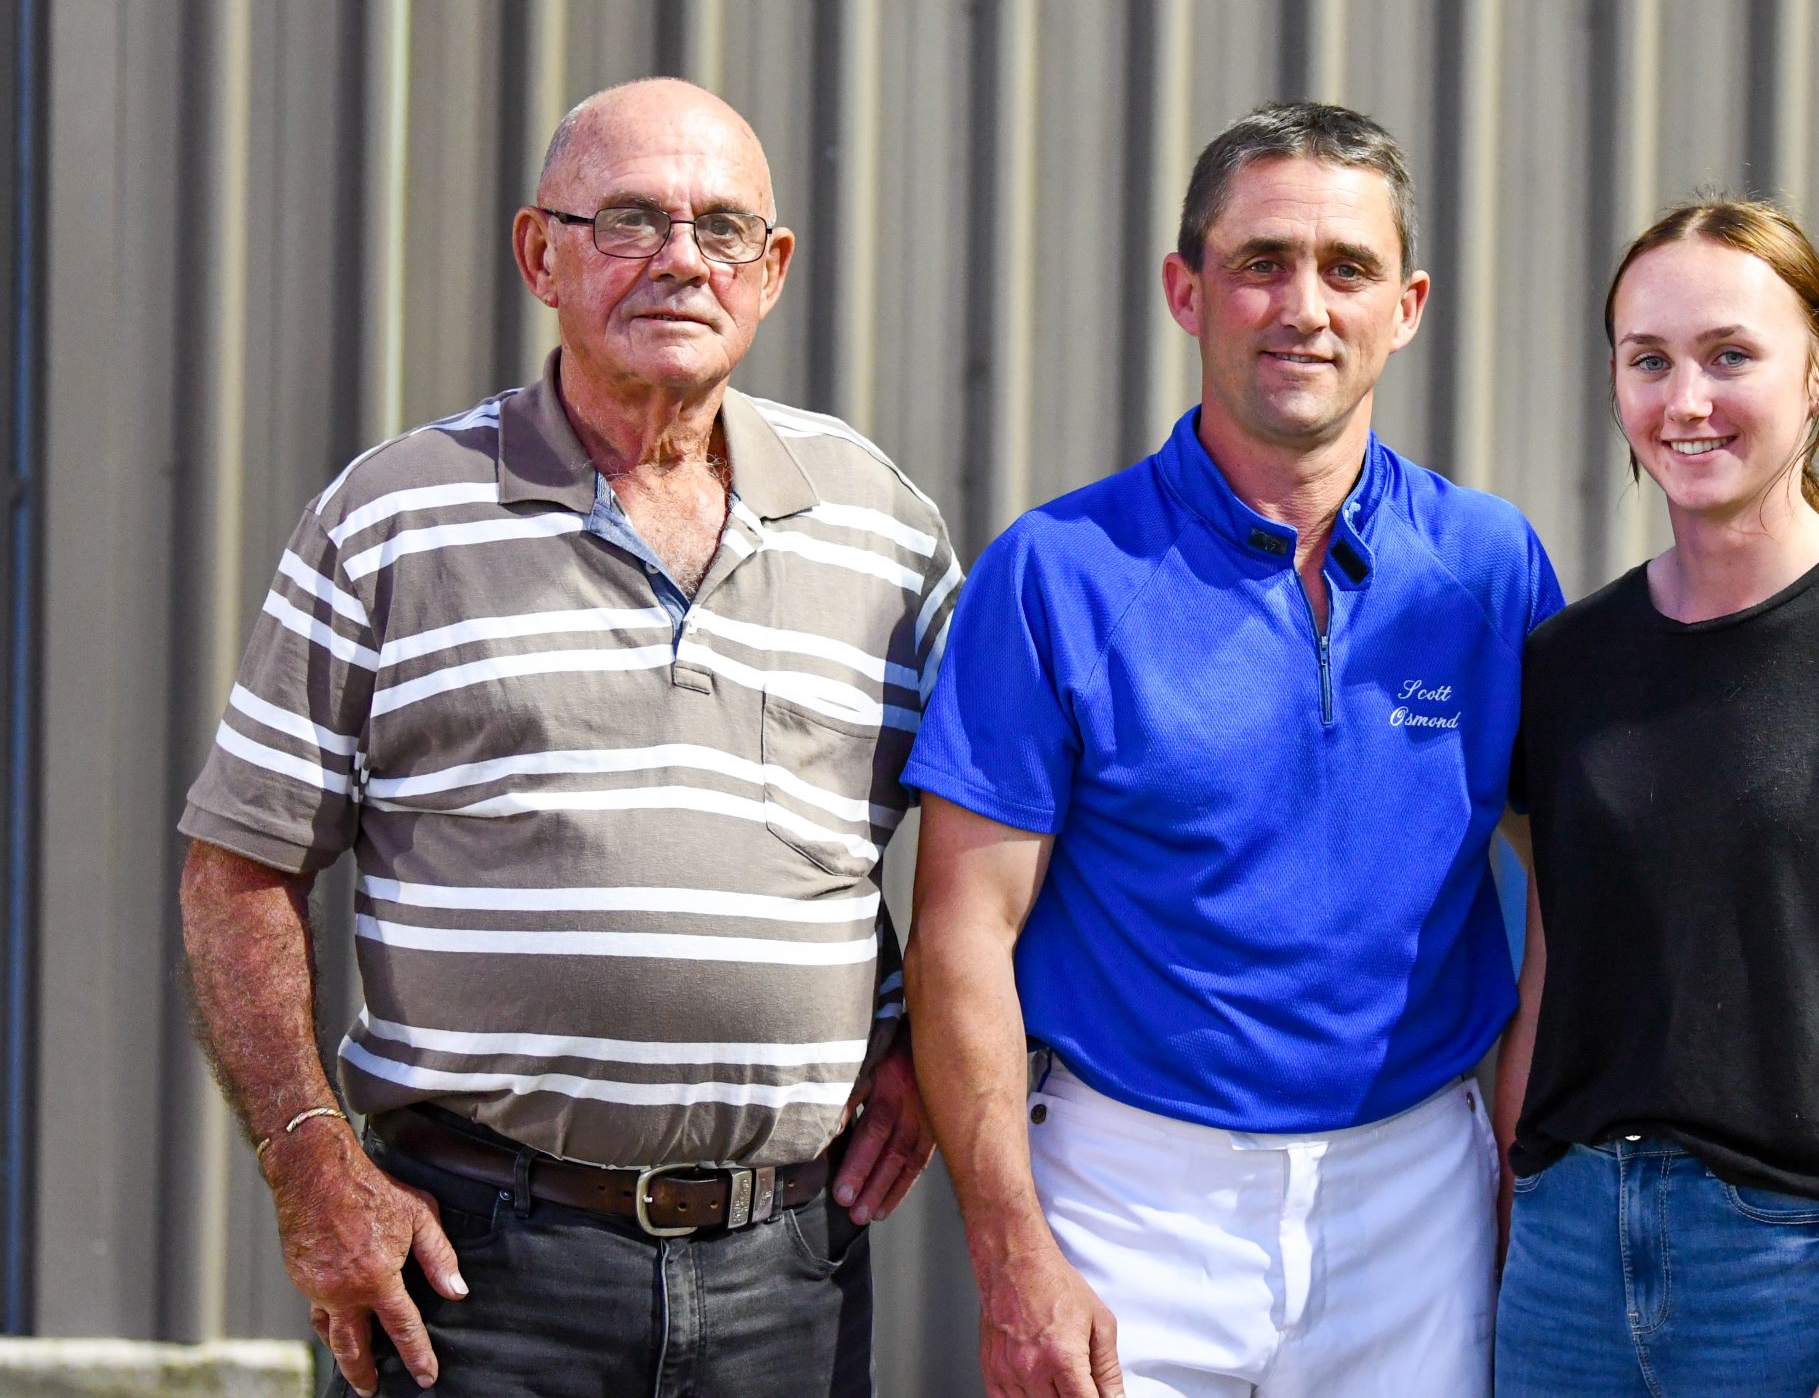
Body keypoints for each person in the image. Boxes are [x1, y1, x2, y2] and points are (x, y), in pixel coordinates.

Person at [176, 78, 952, 1398]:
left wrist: (935, 1047)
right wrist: (309, 1163)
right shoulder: (395, 518)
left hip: (790, 1269)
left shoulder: (881, 527)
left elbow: (1007, 825)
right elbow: (237, 866)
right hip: (478, 1270)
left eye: (723, 228)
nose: (681, 260)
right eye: (632, 219)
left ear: (772, 270)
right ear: (540, 253)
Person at [904, 101, 1563, 1398]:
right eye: (1262, 261)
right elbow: (960, 931)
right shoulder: (1055, 571)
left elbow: (1568, 902)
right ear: (1185, 290)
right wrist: (1010, 1246)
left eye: (1347, 267)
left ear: (1408, 306)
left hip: (1418, 1192)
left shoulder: (1490, 565)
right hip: (1128, 1197)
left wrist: (1520, 1179)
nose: (1303, 305)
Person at [1492, 199, 1819, 1398]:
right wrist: (1514, 1233)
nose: (1686, 400)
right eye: (1649, 360)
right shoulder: (1568, 663)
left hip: (1791, 1269)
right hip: (1563, 1268)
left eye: (1730, 355)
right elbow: (1550, 978)